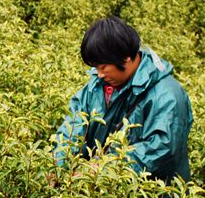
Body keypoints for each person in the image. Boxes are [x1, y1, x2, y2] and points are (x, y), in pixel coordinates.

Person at [54, 16, 192, 181]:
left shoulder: (168, 96)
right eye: (95, 67)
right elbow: (73, 126)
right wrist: (59, 165)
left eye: (103, 67)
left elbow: (162, 149)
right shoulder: (97, 86)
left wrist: (103, 168)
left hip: (151, 197)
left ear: (126, 58)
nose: (99, 74)